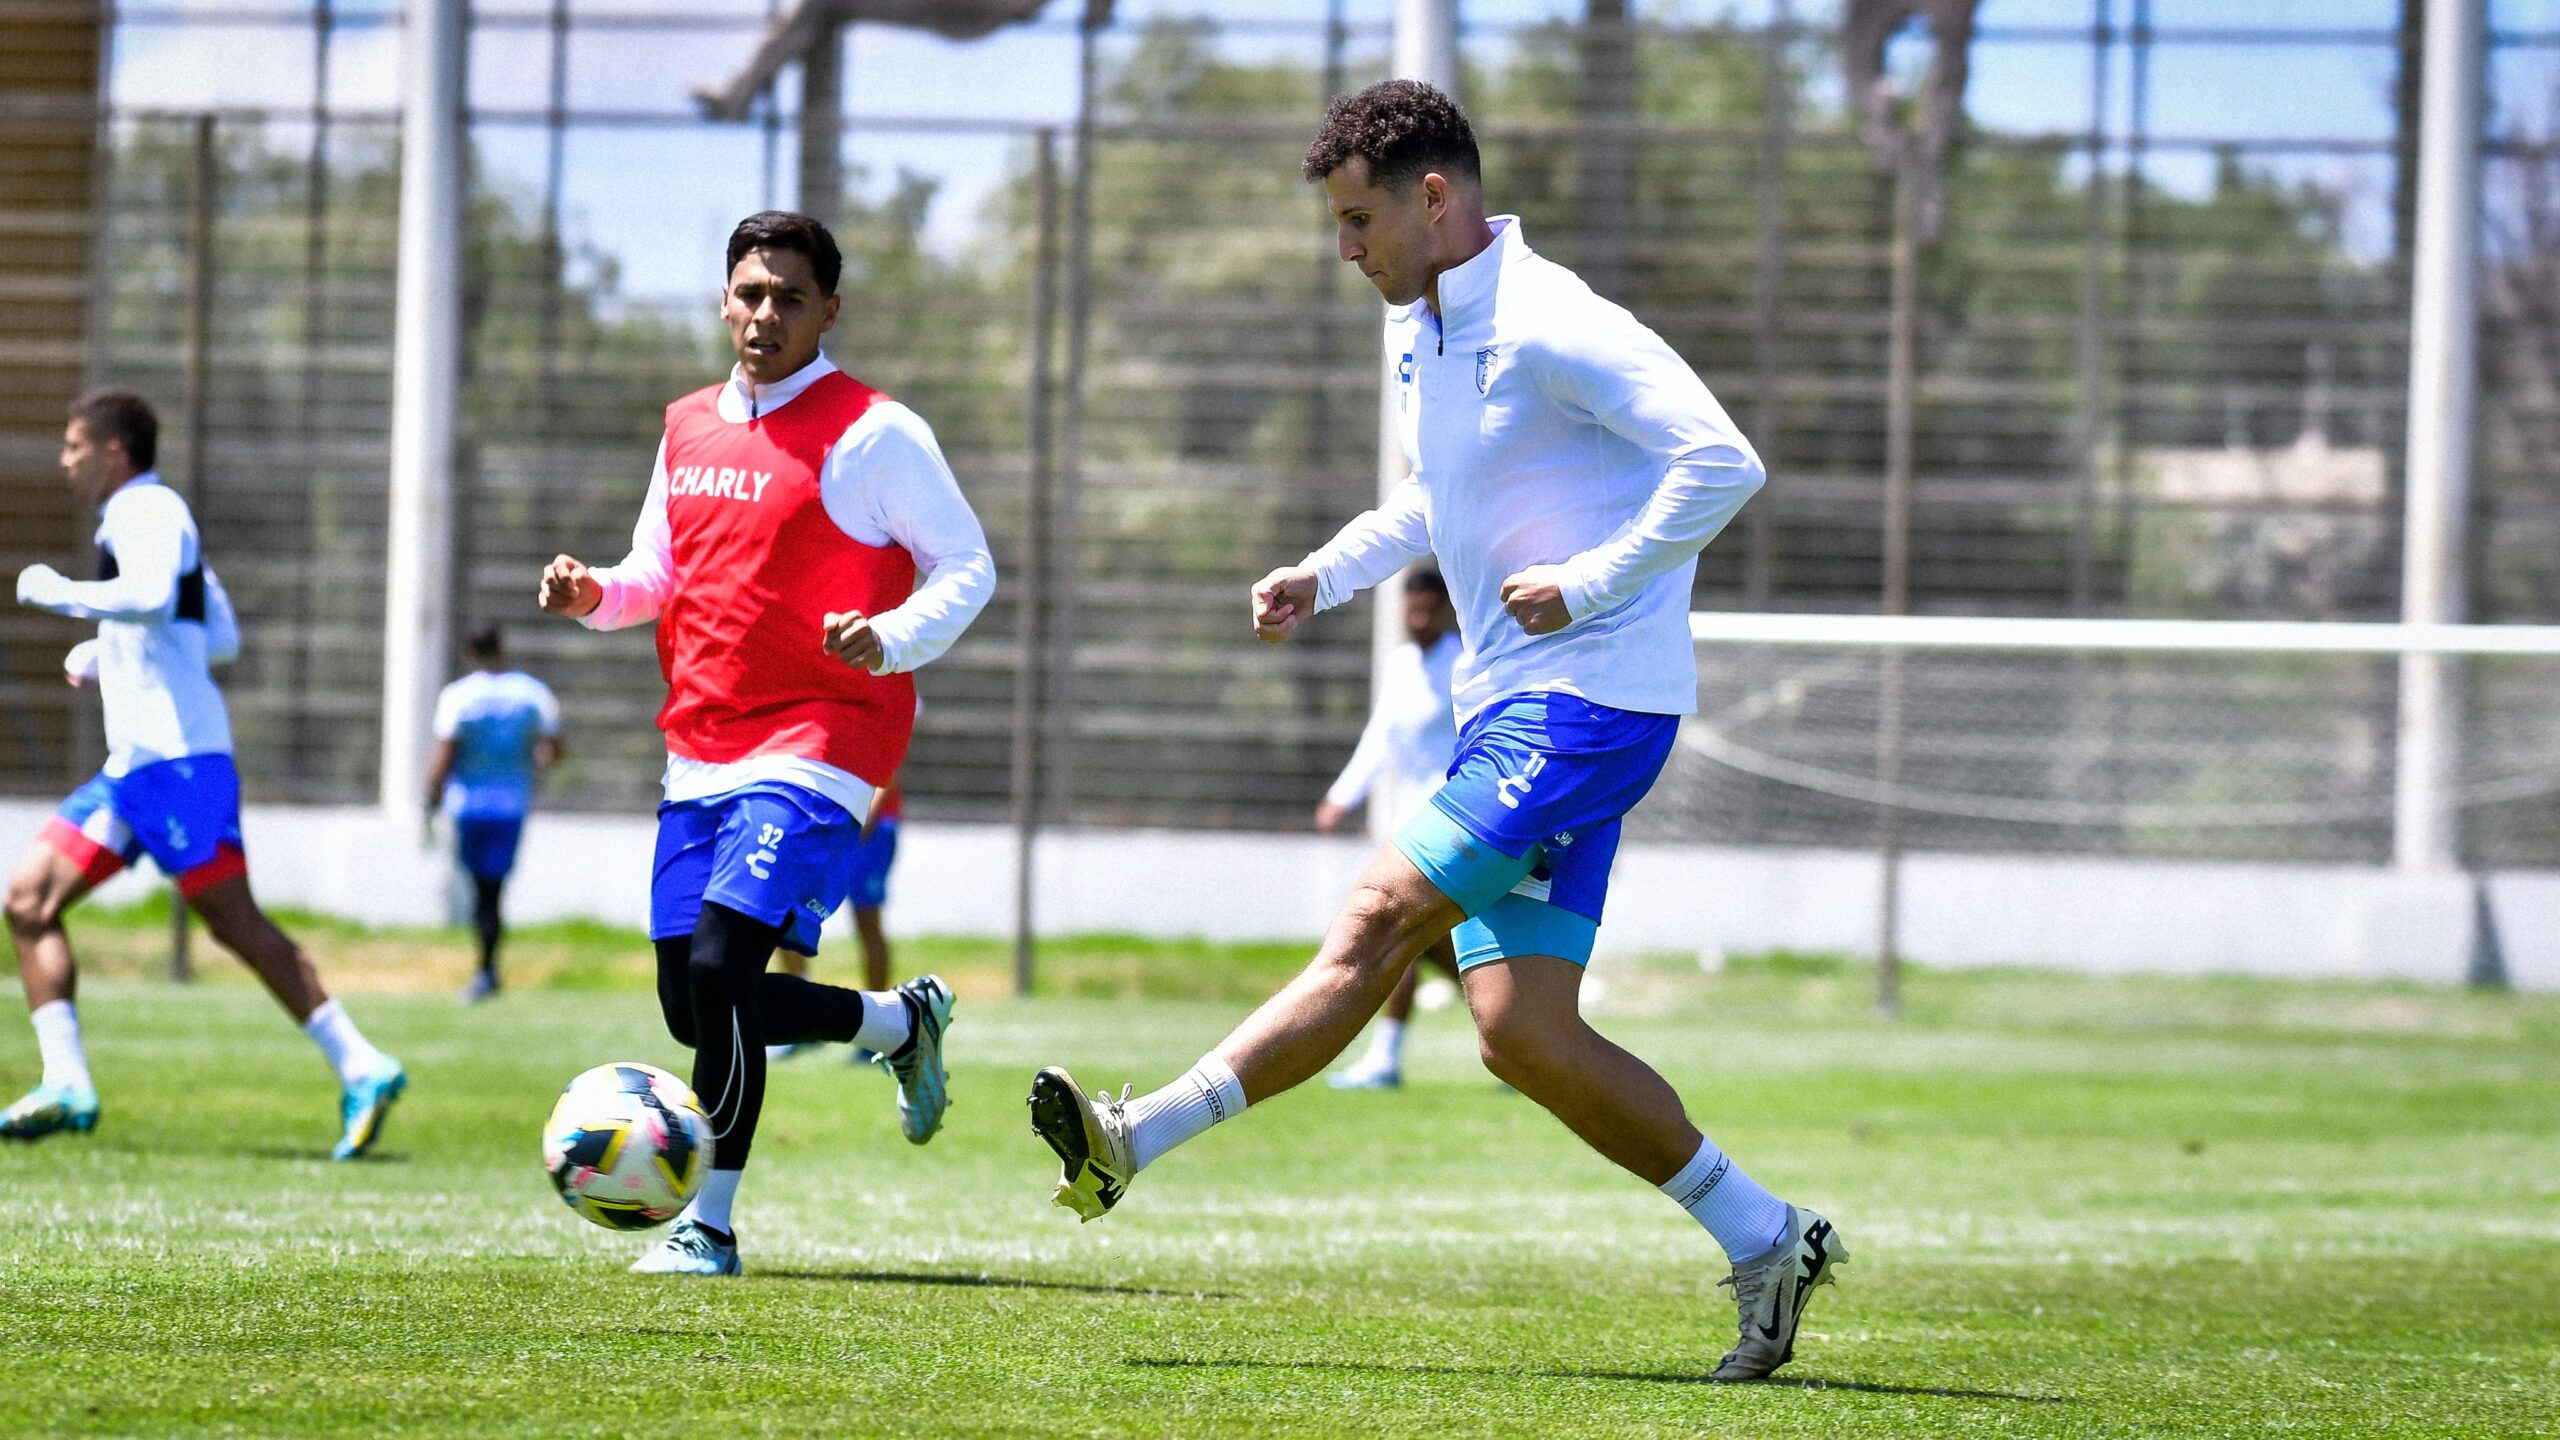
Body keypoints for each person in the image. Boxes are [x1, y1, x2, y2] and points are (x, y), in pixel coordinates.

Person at [1026, 82, 1845, 1382]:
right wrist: (1325, 571)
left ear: (1432, 197)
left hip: (1588, 704)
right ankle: (1768, 1236)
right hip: (1516, 709)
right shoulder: (1427, 328)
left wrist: (1594, 580)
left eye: (1359, 222)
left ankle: (1133, 1138)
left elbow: (1719, 463)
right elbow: (1439, 495)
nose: (1345, 250)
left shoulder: (1556, 322)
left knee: (1377, 914)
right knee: (1524, 1034)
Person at [539, 211, 994, 1277]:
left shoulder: (875, 431)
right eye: (748, 293)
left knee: (722, 964)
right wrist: (592, 594)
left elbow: (968, 566)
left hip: (823, 736)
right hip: (700, 740)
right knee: (688, 996)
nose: (764, 315)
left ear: (828, 311)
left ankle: (710, 1225)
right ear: (724, 301)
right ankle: (893, 1023)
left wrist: (887, 638)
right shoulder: (687, 426)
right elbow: (657, 577)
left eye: (789, 297)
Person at [6, 388, 408, 1159]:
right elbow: (215, 634)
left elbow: (155, 598)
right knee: (28, 902)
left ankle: (364, 1064)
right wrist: (110, 652)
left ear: (113, 452)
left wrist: (60, 596)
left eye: (73, 446)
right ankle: (67, 1082)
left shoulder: (145, 514)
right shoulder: (151, 520)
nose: (64, 460)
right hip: (136, 768)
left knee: (236, 924)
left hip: (180, 765)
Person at [1318, 567, 1461, 1091]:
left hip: (1455, 825)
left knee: (1403, 933)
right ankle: (1522, 1030)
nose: (1418, 619)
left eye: (1428, 610)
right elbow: (1380, 738)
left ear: (1445, 611)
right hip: (1411, 825)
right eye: (1412, 609)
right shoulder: (1401, 666)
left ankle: (1385, 1059)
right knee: (1425, 941)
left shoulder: (1464, 666)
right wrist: (1342, 795)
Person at [423, 624, 563, 1003]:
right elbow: (552, 746)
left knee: (481, 891)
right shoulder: (530, 693)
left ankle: (485, 969)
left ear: (470, 654)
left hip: (468, 805)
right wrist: (536, 761)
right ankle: (488, 967)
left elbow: (446, 751)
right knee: (494, 889)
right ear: (502, 648)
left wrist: (430, 793)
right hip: (511, 804)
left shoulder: (459, 697)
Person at [769, 770, 899, 1063]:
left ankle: (880, 1031)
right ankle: (798, 1021)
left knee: (867, 922)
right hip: (825, 819)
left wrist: (868, 813)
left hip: (871, 827)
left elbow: (892, 763)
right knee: (783, 913)